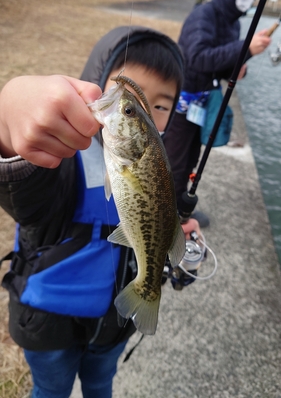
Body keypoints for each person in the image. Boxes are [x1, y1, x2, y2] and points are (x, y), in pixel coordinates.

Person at [0, 26, 201, 398]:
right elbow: (22, 193)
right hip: (48, 323)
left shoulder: (157, 166)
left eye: (159, 106)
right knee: (51, 390)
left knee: (99, 385)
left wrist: (179, 228)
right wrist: (8, 115)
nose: (143, 109)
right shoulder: (58, 158)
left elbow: (157, 219)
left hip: (113, 325)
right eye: (129, 104)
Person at [163, 0, 271, 221]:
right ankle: (164, 215)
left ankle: (178, 210)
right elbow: (196, 58)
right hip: (183, 103)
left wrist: (239, 65)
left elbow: (219, 64)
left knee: (191, 159)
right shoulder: (204, 15)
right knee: (174, 161)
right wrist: (245, 47)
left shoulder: (232, 23)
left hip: (203, 103)